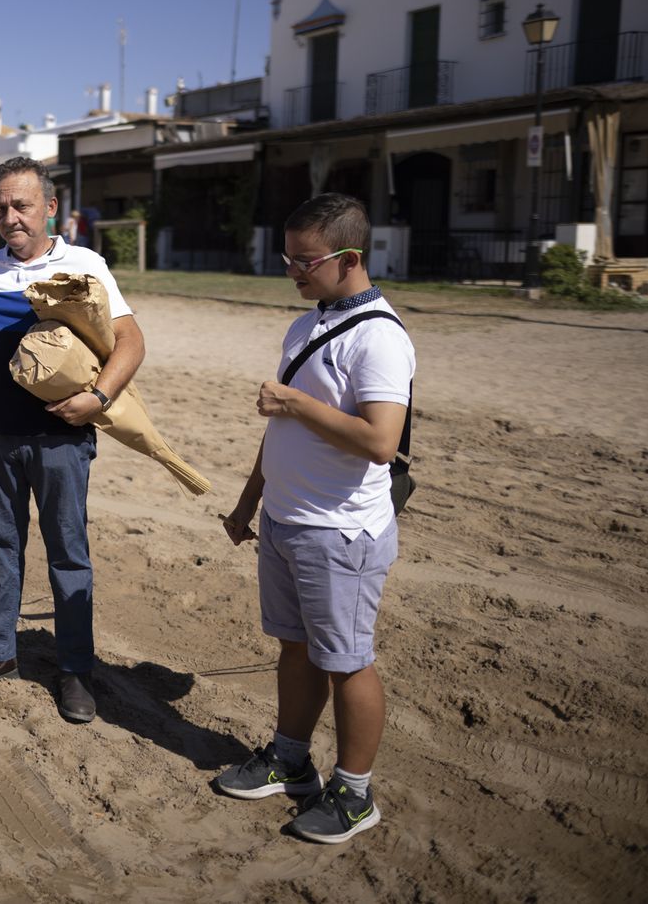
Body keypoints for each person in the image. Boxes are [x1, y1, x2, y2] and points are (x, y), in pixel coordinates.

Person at [214, 193, 415, 845]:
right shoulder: (305, 327)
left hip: (341, 531)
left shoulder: (379, 336)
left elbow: (382, 440)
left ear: (350, 258)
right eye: (288, 258)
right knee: (295, 647)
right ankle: (289, 757)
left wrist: (296, 402)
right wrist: (250, 501)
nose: (293, 272)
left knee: (348, 661)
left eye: (305, 261)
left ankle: (355, 793)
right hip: (286, 520)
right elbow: (280, 433)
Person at [0, 157, 143, 723]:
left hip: (60, 440)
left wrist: (97, 400)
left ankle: (75, 669)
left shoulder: (84, 264)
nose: (10, 217)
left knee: (68, 554)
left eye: (22, 205)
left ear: (49, 208)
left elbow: (130, 342)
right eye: (1, 207)